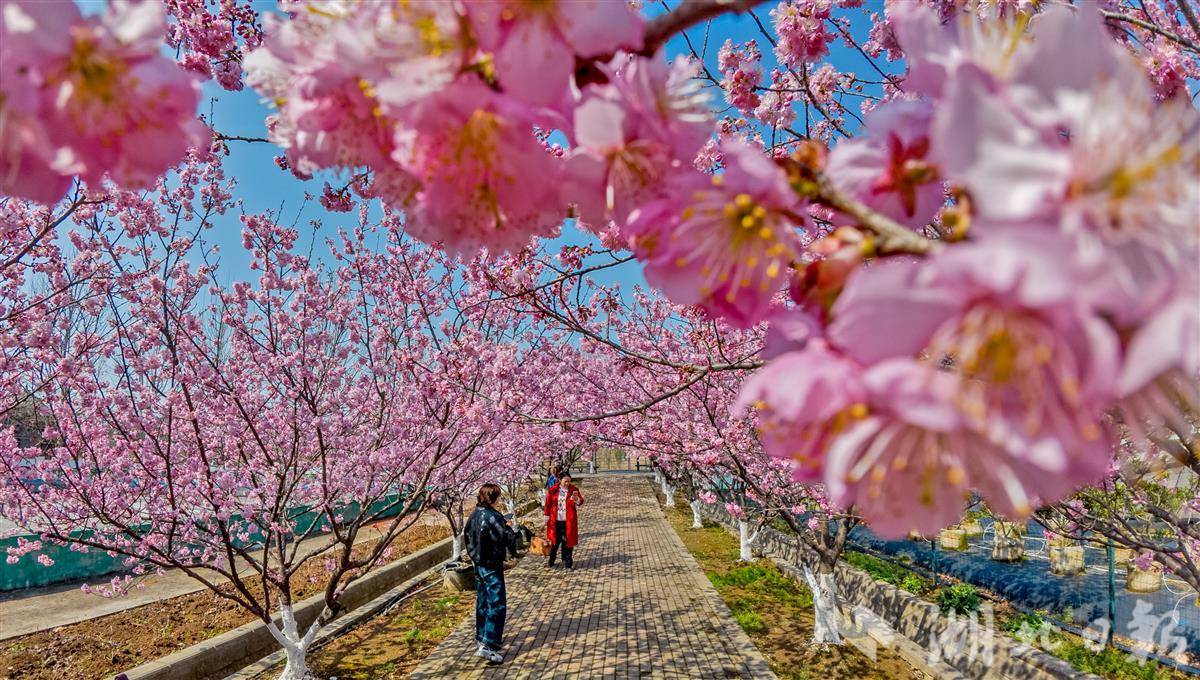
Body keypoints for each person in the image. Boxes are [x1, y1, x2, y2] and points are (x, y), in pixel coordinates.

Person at [464, 483, 518, 664]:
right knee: (497, 603)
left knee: (483, 601)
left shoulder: (473, 515)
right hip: (491, 564)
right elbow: (506, 538)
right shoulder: (493, 517)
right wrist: (509, 526)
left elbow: (467, 538)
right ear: (494, 498)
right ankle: (489, 645)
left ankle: (481, 637)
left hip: (478, 564)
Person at [544, 471, 584, 569]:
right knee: (554, 543)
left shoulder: (573, 489)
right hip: (555, 521)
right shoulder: (553, 490)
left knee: (568, 543)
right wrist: (546, 516)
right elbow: (547, 504)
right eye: (565, 481)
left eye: (569, 481)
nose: (567, 483)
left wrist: (576, 500)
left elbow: (581, 501)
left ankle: (568, 563)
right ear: (560, 480)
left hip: (568, 522)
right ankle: (551, 561)